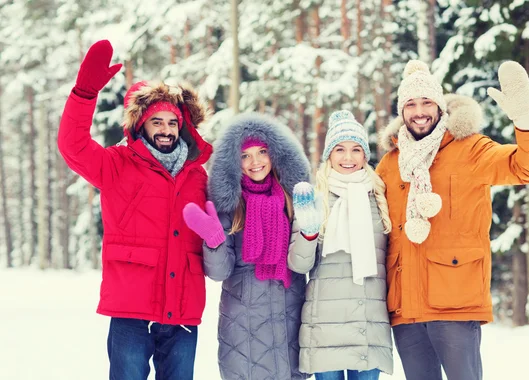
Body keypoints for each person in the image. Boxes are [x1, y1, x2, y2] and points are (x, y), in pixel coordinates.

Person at [375, 60, 529, 380]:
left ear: (440, 105)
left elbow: (528, 166)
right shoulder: (390, 163)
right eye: (410, 104)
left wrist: (526, 121)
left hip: (454, 301)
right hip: (405, 308)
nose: (419, 111)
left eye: (427, 102)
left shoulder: (470, 149)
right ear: (401, 111)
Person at [57, 40, 213, 380]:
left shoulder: (198, 177)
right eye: (157, 122)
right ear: (141, 125)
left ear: (182, 127)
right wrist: (84, 95)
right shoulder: (117, 164)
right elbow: (73, 147)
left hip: (182, 313)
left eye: (172, 123)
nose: (166, 130)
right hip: (131, 310)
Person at [182, 113, 311, 380]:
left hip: (291, 316)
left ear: (276, 153)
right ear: (234, 162)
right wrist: (214, 240)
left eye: (262, 151)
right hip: (243, 326)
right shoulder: (230, 207)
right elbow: (220, 273)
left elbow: (304, 260)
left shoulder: (293, 200)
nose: (255, 161)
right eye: (245, 155)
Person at [287, 110, 394, 380]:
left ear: (365, 155)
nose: (348, 158)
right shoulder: (315, 198)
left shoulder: (380, 196)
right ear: (329, 156)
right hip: (325, 325)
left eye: (356, 149)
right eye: (340, 149)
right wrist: (309, 232)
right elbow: (298, 264)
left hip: (368, 323)